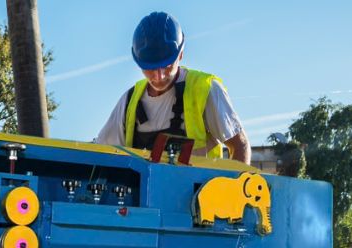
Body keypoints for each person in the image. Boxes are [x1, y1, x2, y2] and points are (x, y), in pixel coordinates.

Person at [94, 12, 251, 164]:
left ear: (180, 54)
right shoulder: (129, 101)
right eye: (150, 68)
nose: (159, 76)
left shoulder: (204, 89)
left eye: (167, 66)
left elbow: (240, 146)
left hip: (199, 183)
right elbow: (101, 153)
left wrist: (234, 182)